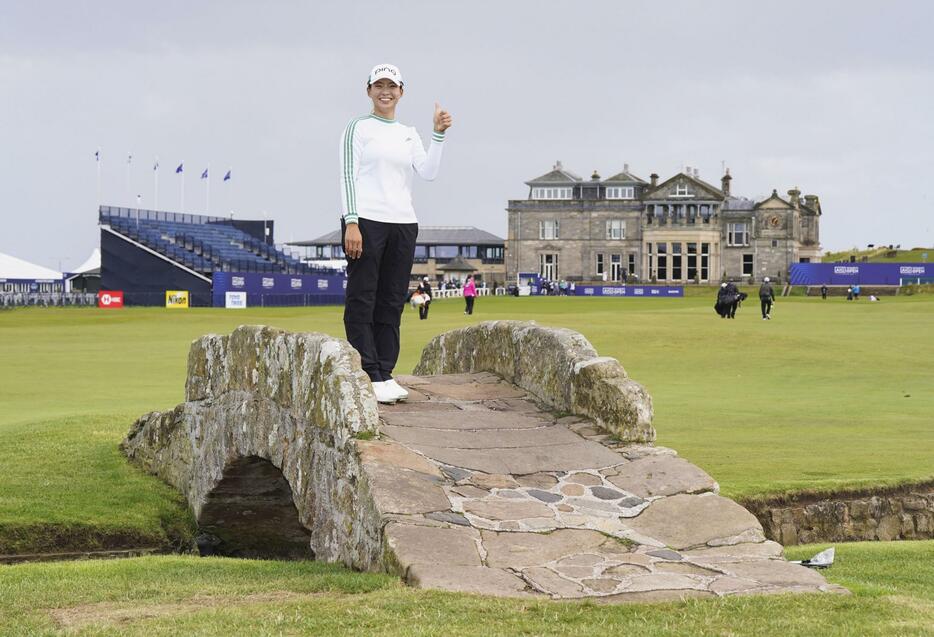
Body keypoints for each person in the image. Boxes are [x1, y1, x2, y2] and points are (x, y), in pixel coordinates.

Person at [340, 63, 453, 404]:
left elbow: (429, 172)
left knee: (391, 299)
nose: (385, 91)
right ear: (369, 90)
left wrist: (438, 135)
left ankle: (385, 373)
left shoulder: (408, 132)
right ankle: (368, 372)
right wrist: (351, 221)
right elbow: (347, 175)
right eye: (379, 85)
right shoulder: (358, 127)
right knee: (363, 296)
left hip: (403, 223)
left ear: (401, 92)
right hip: (367, 221)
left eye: (392, 86)